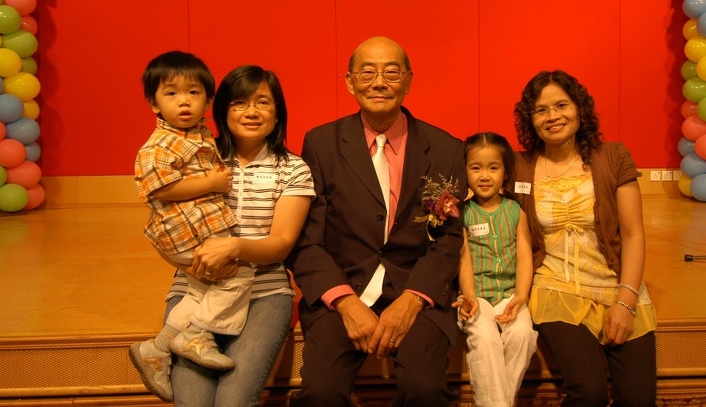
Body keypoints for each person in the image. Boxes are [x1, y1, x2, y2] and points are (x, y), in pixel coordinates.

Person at [286, 36, 468, 406]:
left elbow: (448, 240)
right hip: (342, 290)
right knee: (320, 394)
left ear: (409, 80)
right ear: (350, 82)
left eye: (391, 73)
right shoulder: (321, 143)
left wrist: (413, 300)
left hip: (414, 291)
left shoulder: (446, 148)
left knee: (425, 391)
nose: (379, 82)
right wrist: (345, 302)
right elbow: (307, 240)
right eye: (367, 73)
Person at [160, 64, 314, 406]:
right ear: (223, 111)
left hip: (263, 293)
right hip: (196, 288)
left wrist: (233, 247)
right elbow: (166, 216)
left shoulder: (293, 169)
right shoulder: (198, 161)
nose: (251, 112)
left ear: (278, 112)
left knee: (234, 401)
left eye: (263, 102)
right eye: (240, 103)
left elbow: (281, 244)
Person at [512, 70, 657, 407]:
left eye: (561, 105)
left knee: (638, 400)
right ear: (530, 119)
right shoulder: (520, 166)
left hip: (614, 284)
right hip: (554, 288)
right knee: (588, 392)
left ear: (579, 108)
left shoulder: (612, 157)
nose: (552, 116)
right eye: (541, 110)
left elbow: (633, 234)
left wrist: (625, 301)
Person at [131, 51, 250, 401]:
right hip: (187, 232)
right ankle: (196, 334)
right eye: (171, 93)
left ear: (209, 100)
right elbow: (161, 188)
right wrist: (211, 183)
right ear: (154, 103)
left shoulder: (197, 134)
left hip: (200, 227)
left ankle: (157, 349)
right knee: (238, 276)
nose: (184, 101)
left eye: (193, 92)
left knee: (199, 291)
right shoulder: (160, 144)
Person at [453, 132, 538, 407]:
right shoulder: (462, 213)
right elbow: (464, 258)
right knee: (485, 339)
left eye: (493, 168)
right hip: (476, 295)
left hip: (510, 294)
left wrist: (521, 296)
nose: (484, 176)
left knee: (523, 335)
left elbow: (524, 256)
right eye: (475, 168)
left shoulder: (516, 210)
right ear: (465, 171)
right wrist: (469, 295)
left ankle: (497, 402)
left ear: (506, 172)